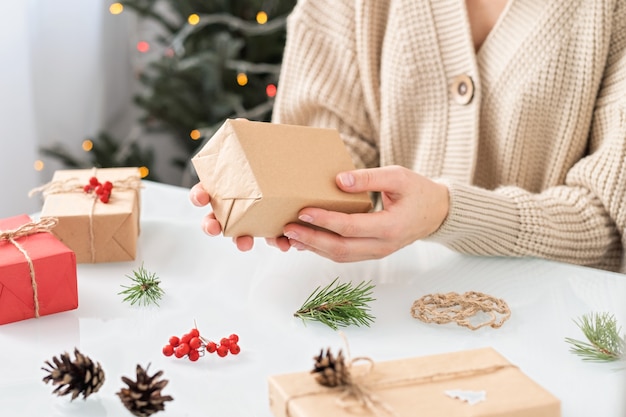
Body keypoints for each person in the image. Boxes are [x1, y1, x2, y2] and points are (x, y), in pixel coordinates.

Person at [190, 0, 626, 272]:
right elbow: (330, 154)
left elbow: (611, 221)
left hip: (565, 324)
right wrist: (272, 190)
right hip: (389, 306)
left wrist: (448, 213)